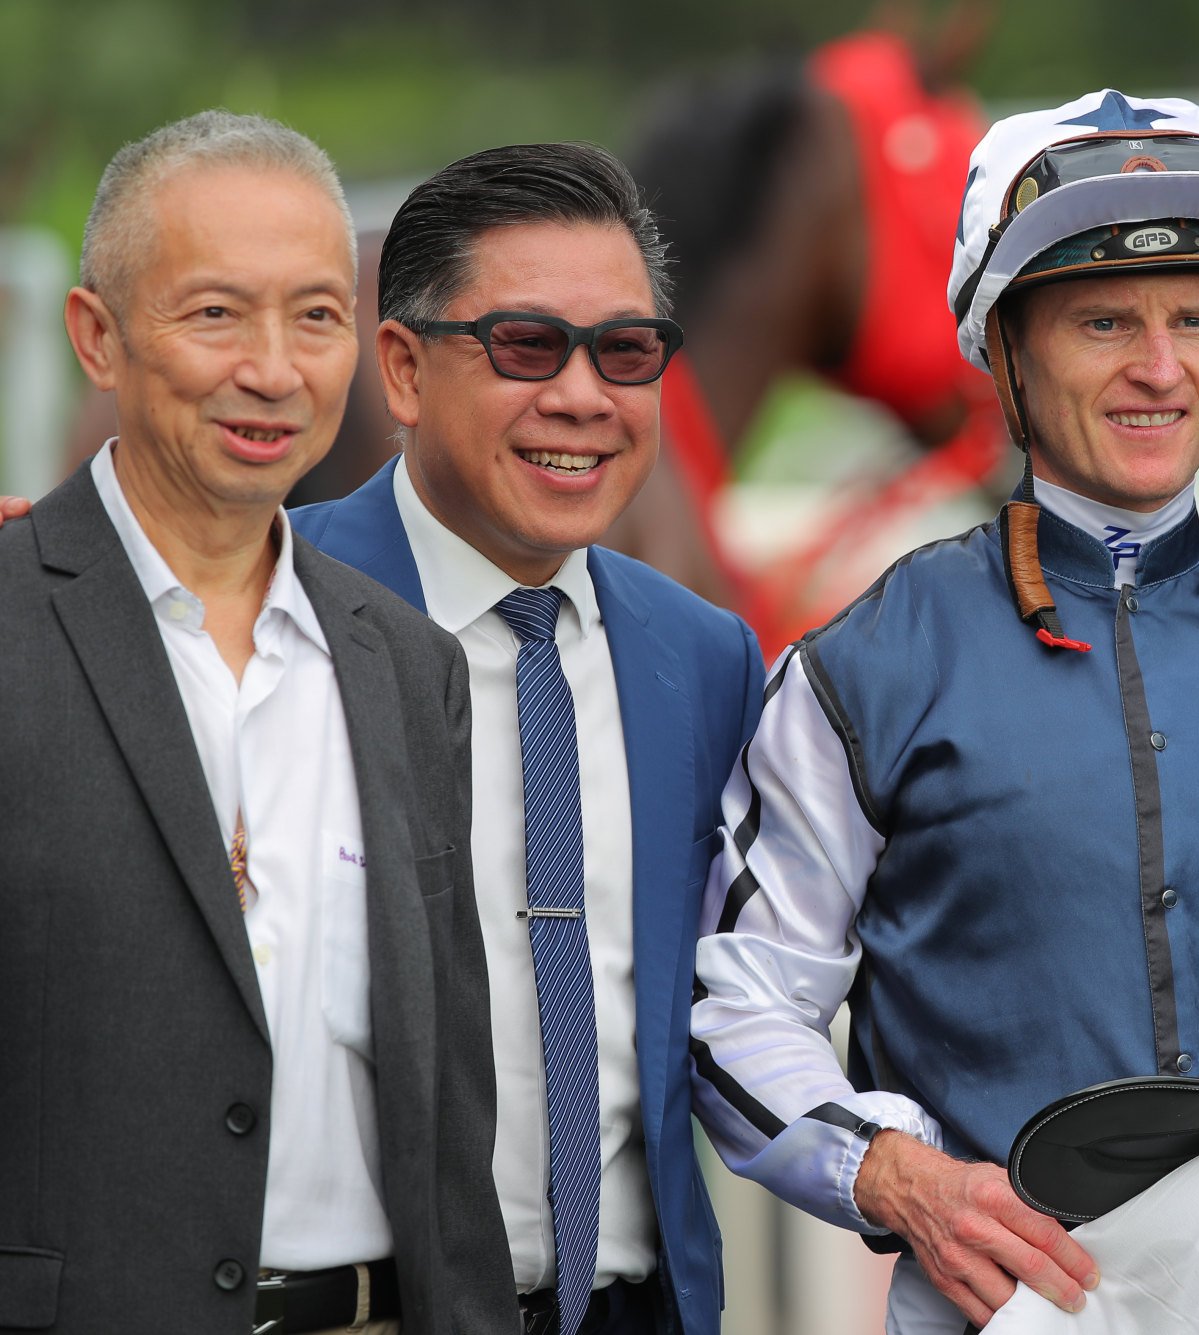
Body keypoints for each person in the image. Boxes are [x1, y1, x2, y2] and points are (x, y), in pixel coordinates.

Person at [690, 89, 1199, 1333]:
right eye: (1104, 321)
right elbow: (741, 1006)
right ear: (1004, 350)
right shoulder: (859, 667)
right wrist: (897, 1176)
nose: (1161, 367)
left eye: (1197, 319)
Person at [0, 111, 514, 1333]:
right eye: (216, 313)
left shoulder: (405, 665)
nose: (275, 370)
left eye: (318, 315)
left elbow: (448, 1115)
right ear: (97, 336)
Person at [289, 143, 763, 1335]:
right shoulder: (263, 608)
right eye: (525, 345)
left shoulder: (702, 657)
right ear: (399, 368)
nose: (582, 397)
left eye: (625, 351)